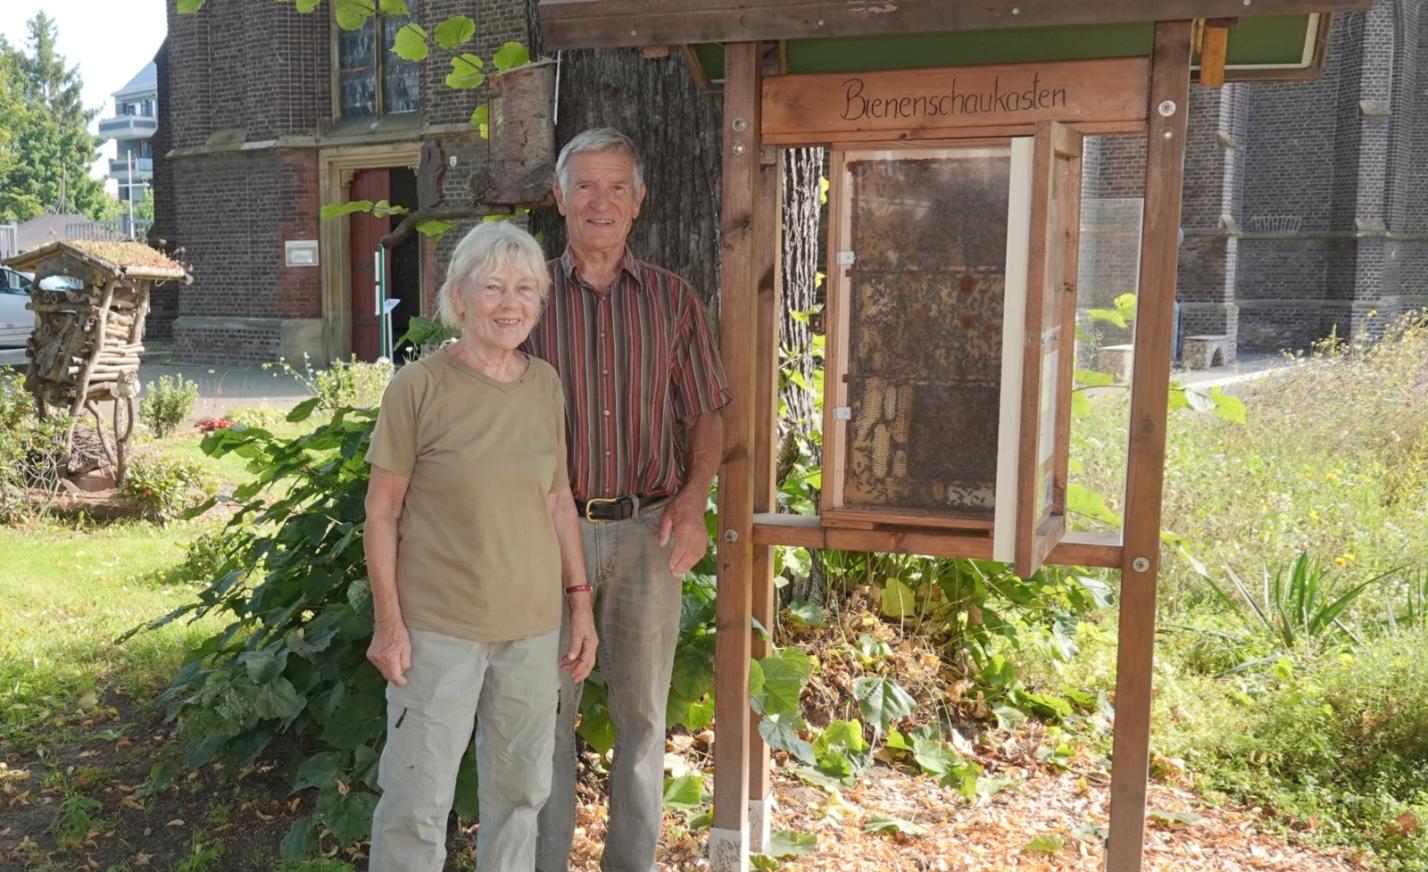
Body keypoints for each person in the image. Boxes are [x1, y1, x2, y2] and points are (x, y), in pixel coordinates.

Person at [363, 221, 599, 872]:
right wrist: (389, 624)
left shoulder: (545, 385)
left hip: (531, 634)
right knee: (416, 804)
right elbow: (381, 512)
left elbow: (558, 501)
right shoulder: (420, 388)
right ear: (459, 298)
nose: (510, 302)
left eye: (525, 288)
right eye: (492, 286)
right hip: (437, 634)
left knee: (521, 796)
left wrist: (580, 605)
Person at [529, 128, 731, 872]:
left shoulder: (674, 300)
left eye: (617, 187)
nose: (600, 202)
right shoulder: (530, 297)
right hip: (549, 537)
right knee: (546, 719)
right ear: (559, 197)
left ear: (640, 202)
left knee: (643, 721)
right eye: (585, 185)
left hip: (649, 531)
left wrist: (692, 500)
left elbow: (708, 409)